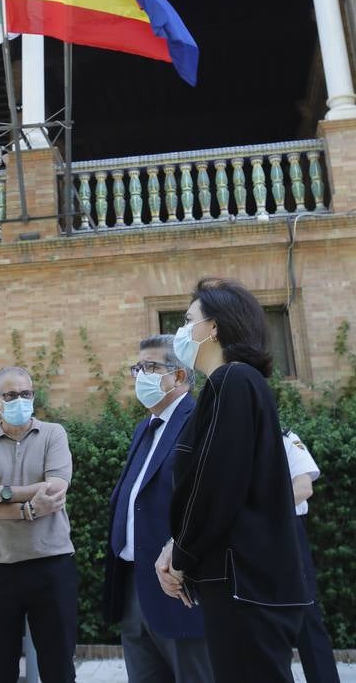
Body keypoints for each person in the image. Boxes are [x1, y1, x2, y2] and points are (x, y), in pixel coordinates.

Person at [155, 277, 309, 683]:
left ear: (214, 327)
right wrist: (179, 547)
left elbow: (214, 485)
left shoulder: (233, 381)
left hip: (245, 584)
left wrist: (181, 555)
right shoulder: (234, 384)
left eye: (189, 320)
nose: (182, 331)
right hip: (246, 582)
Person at [104, 335, 213, 683]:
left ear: (179, 376)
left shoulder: (199, 421)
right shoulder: (144, 428)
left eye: (150, 367)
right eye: (138, 368)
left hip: (179, 588)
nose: (141, 376)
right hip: (134, 586)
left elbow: (209, 500)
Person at [0, 366, 76, 683]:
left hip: (51, 564)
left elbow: (55, 490)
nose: (19, 400)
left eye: (26, 394)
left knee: (59, 669)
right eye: (10, 395)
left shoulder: (53, 433)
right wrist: (30, 506)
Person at [282, 429, 340, 683]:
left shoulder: (284, 438)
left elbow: (304, 488)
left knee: (305, 612)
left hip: (286, 529)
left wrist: (262, 506)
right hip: (249, 533)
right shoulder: (234, 440)